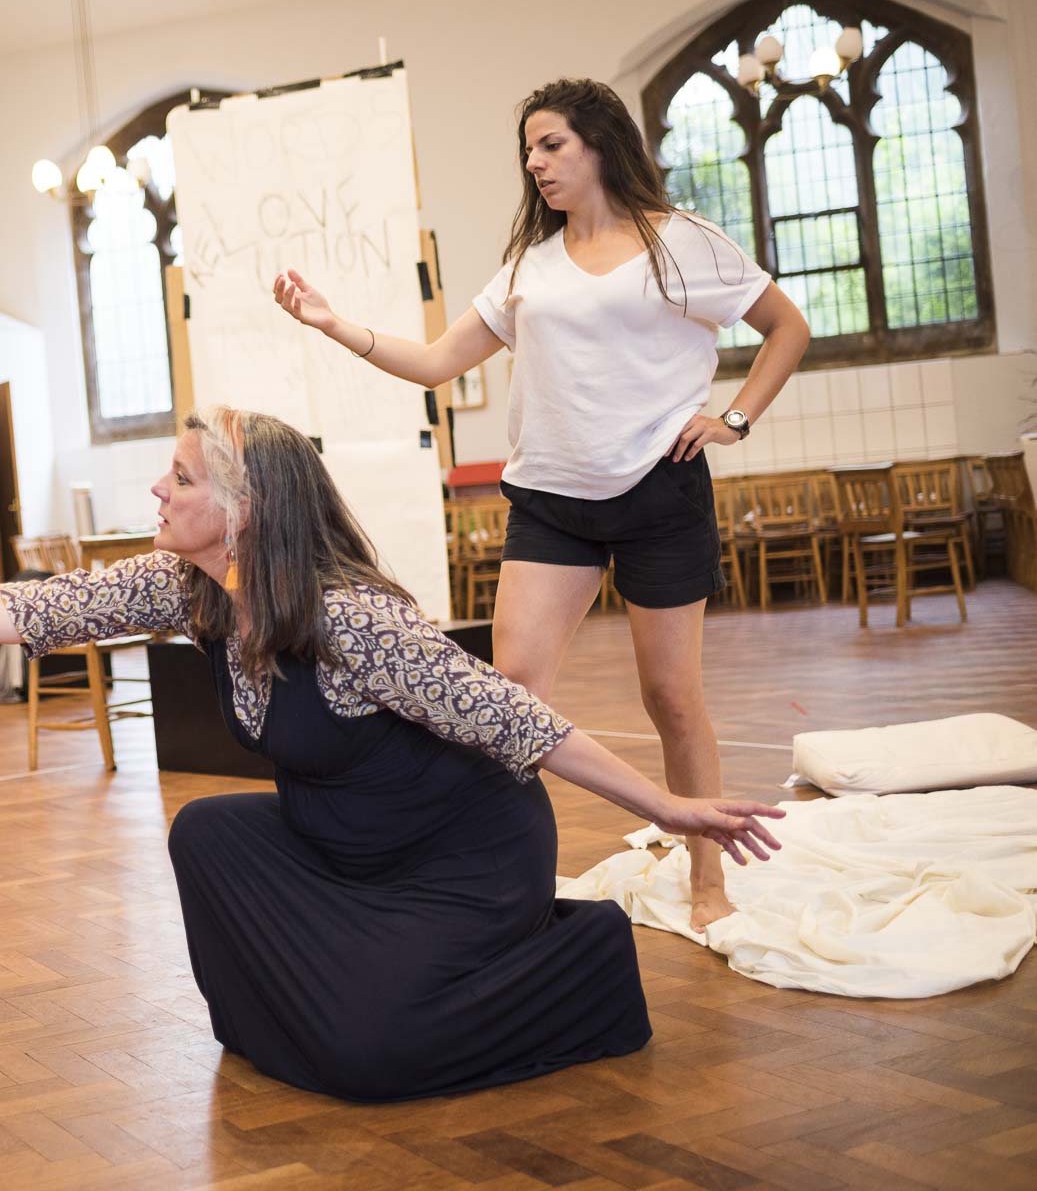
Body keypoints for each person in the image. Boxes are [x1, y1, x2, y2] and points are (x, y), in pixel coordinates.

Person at [0, 407, 784, 1101]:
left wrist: (670, 805)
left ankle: (576, 951)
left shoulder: (351, 617)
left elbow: (520, 721)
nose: (158, 487)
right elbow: (35, 607)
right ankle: (317, 1013)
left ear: (245, 509)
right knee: (209, 834)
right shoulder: (189, 583)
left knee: (373, 1057)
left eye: (181, 475)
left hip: (461, 857)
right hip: (342, 844)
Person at [273, 78, 811, 930]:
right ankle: (499, 875)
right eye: (528, 149)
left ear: (598, 143)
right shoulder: (529, 264)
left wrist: (735, 418)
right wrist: (332, 323)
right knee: (509, 692)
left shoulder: (682, 244)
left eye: (550, 144)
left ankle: (708, 875)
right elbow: (435, 362)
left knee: (670, 698)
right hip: (551, 500)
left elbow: (788, 326)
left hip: (658, 490)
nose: (534, 162)